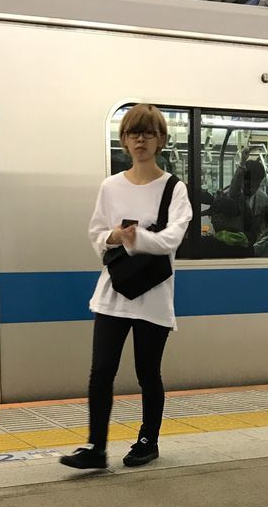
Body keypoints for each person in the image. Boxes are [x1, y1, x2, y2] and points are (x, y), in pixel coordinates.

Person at [61, 103, 192, 472]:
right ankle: (95, 446)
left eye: (149, 133)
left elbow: (172, 239)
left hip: (153, 296)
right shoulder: (110, 186)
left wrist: (136, 238)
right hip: (112, 293)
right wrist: (114, 236)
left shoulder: (174, 189)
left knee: (147, 372)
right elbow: (95, 234)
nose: (141, 140)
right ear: (123, 140)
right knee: (101, 370)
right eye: (134, 133)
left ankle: (148, 440)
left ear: (161, 140)